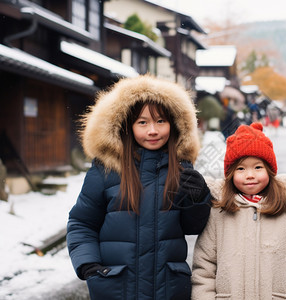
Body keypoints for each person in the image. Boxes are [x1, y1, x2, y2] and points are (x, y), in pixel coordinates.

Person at [66, 75, 212, 300]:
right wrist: (89, 265)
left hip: (168, 288)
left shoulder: (181, 170)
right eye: (142, 122)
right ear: (127, 125)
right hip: (116, 288)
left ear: (174, 125)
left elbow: (191, 226)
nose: (153, 131)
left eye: (161, 121)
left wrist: (198, 197)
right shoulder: (106, 171)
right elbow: (82, 222)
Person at [191, 122, 286, 299]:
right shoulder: (217, 213)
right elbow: (204, 269)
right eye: (241, 168)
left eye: (258, 167)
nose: (250, 175)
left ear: (270, 171)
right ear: (231, 174)